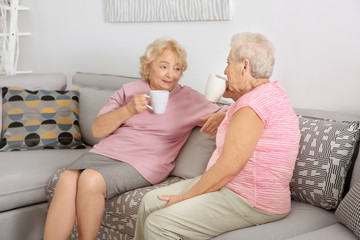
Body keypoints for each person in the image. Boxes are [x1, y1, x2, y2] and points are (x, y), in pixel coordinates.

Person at [43, 37, 227, 240]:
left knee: (90, 179)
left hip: (146, 163)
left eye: (177, 69)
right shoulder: (129, 91)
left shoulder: (188, 99)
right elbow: (97, 129)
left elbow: (228, 112)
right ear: (148, 67)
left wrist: (222, 109)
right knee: (66, 179)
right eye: (163, 66)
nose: (170, 74)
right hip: (106, 153)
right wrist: (128, 110)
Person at [134, 32, 301, 240]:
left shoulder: (250, 107)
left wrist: (186, 197)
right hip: (237, 188)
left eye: (229, 62)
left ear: (245, 67)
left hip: (251, 199)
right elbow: (260, 125)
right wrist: (226, 112)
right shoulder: (271, 93)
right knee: (150, 201)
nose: (225, 70)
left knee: (160, 225)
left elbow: (229, 166)